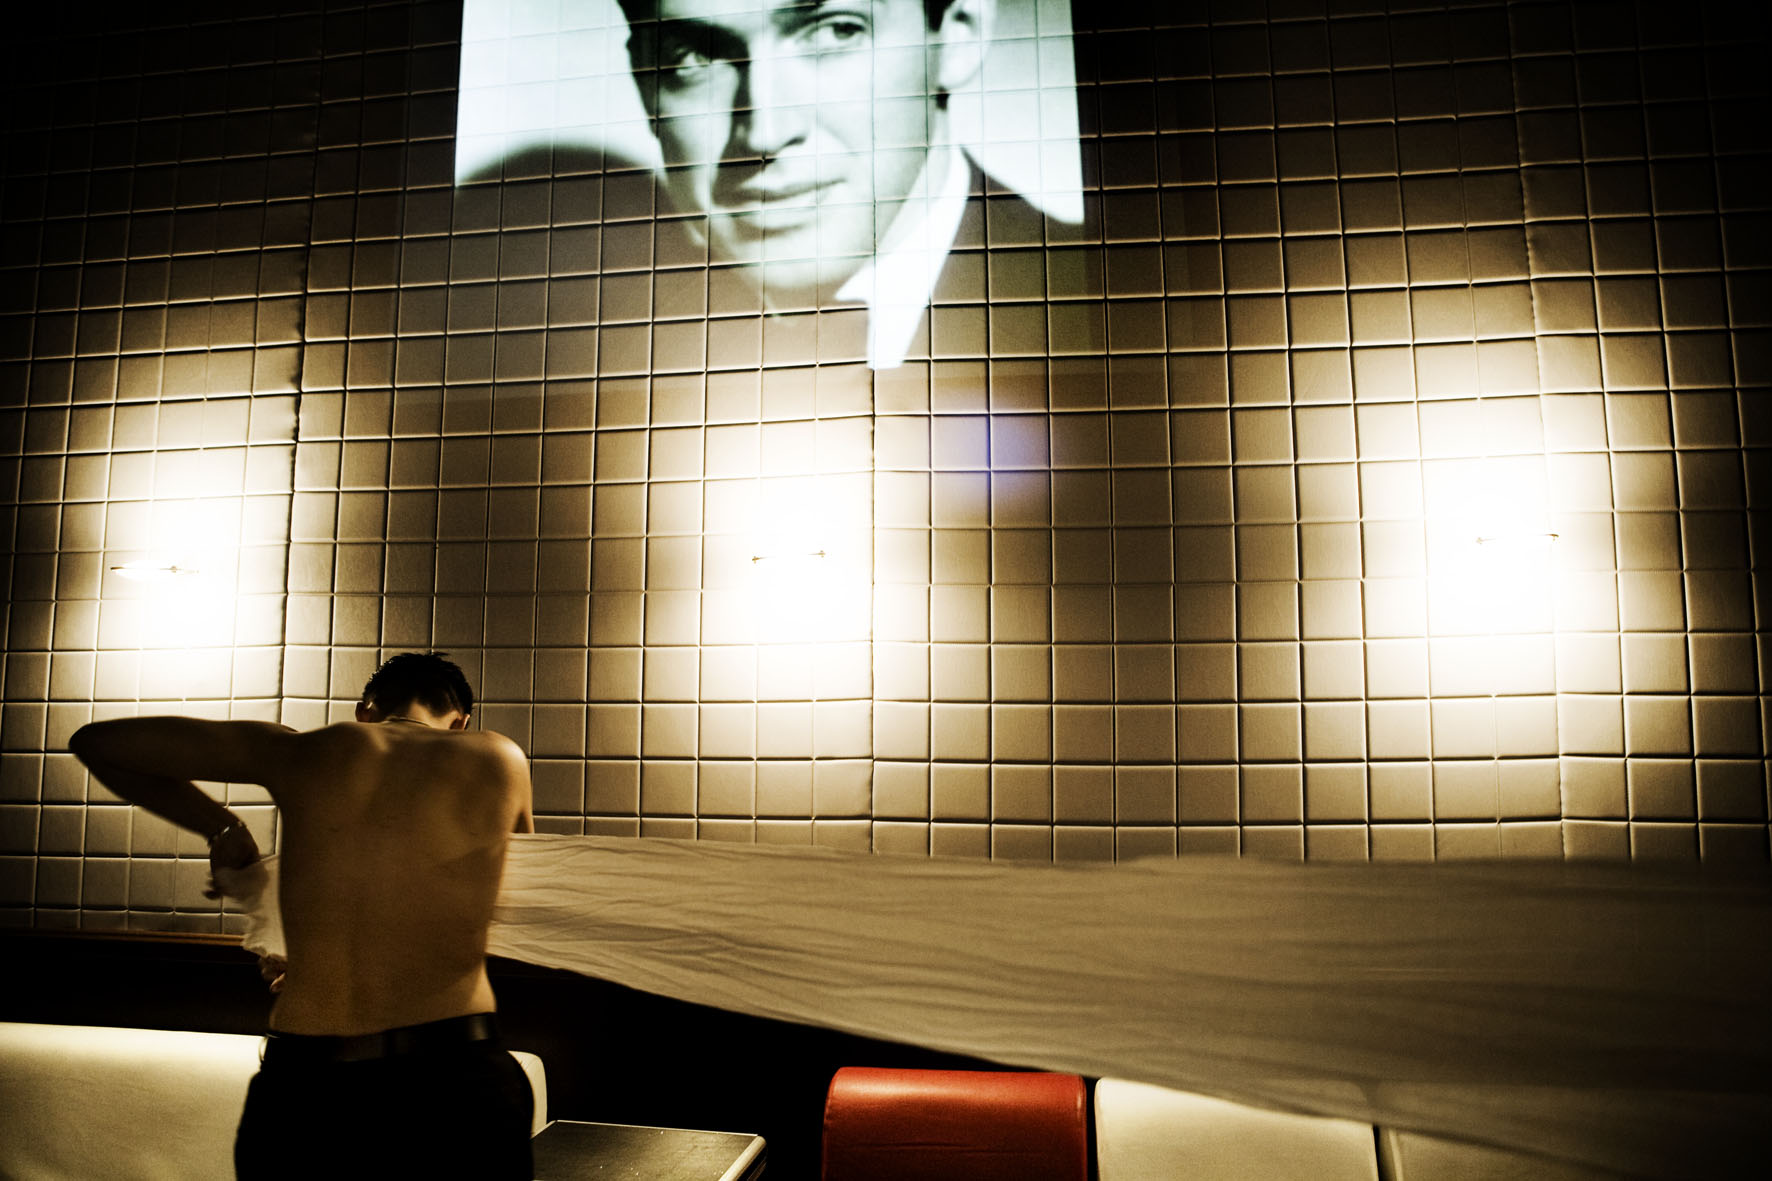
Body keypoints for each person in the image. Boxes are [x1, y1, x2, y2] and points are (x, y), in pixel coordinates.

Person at [69, 651, 536, 1180]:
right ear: (461, 722)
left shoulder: (302, 750)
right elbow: (509, 905)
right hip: (454, 1080)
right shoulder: (499, 759)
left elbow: (97, 743)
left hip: (306, 1092)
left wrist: (222, 827)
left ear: (365, 710)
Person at [617, 0, 1045, 369]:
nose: (765, 133)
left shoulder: (1077, 308)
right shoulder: (624, 356)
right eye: (693, 58)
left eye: (836, 32)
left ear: (958, 38)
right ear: (642, 86)